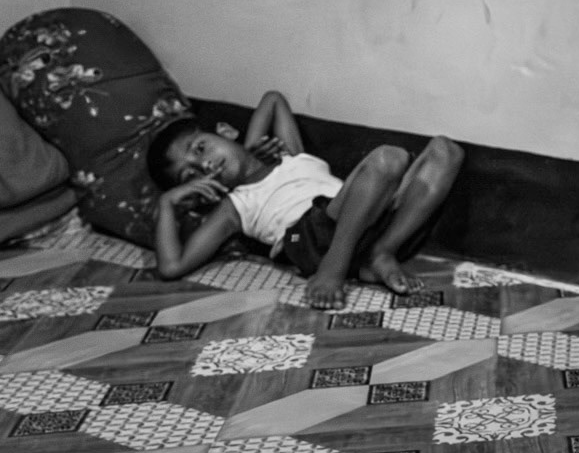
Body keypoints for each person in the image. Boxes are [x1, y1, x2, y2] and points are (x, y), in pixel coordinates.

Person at [145, 90, 463, 308]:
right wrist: (167, 203)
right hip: (309, 238)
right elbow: (172, 267)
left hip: (369, 219)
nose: (205, 165)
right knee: (387, 160)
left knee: (445, 151)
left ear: (226, 132)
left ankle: (380, 253)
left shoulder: (290, 155)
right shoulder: (234, 206)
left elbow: (273, 99)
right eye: (192, 175)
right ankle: (333, 269)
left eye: (200, 148)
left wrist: (252, 145)